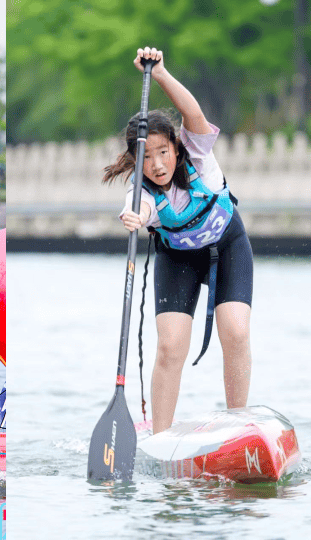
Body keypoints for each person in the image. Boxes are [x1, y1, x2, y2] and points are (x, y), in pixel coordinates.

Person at [104, 48, 254, 434]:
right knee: (170, 347)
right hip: (179, 259)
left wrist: (162, 75)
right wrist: (131, 217)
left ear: (176, 147)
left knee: (235, 331)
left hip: (228, 247)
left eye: (163, 152)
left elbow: (194, 115)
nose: (156, 164)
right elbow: (133, 210)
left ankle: (238, 425)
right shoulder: (142, 192)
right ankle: (160, 437)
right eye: (146, 157)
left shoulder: (199, 155)